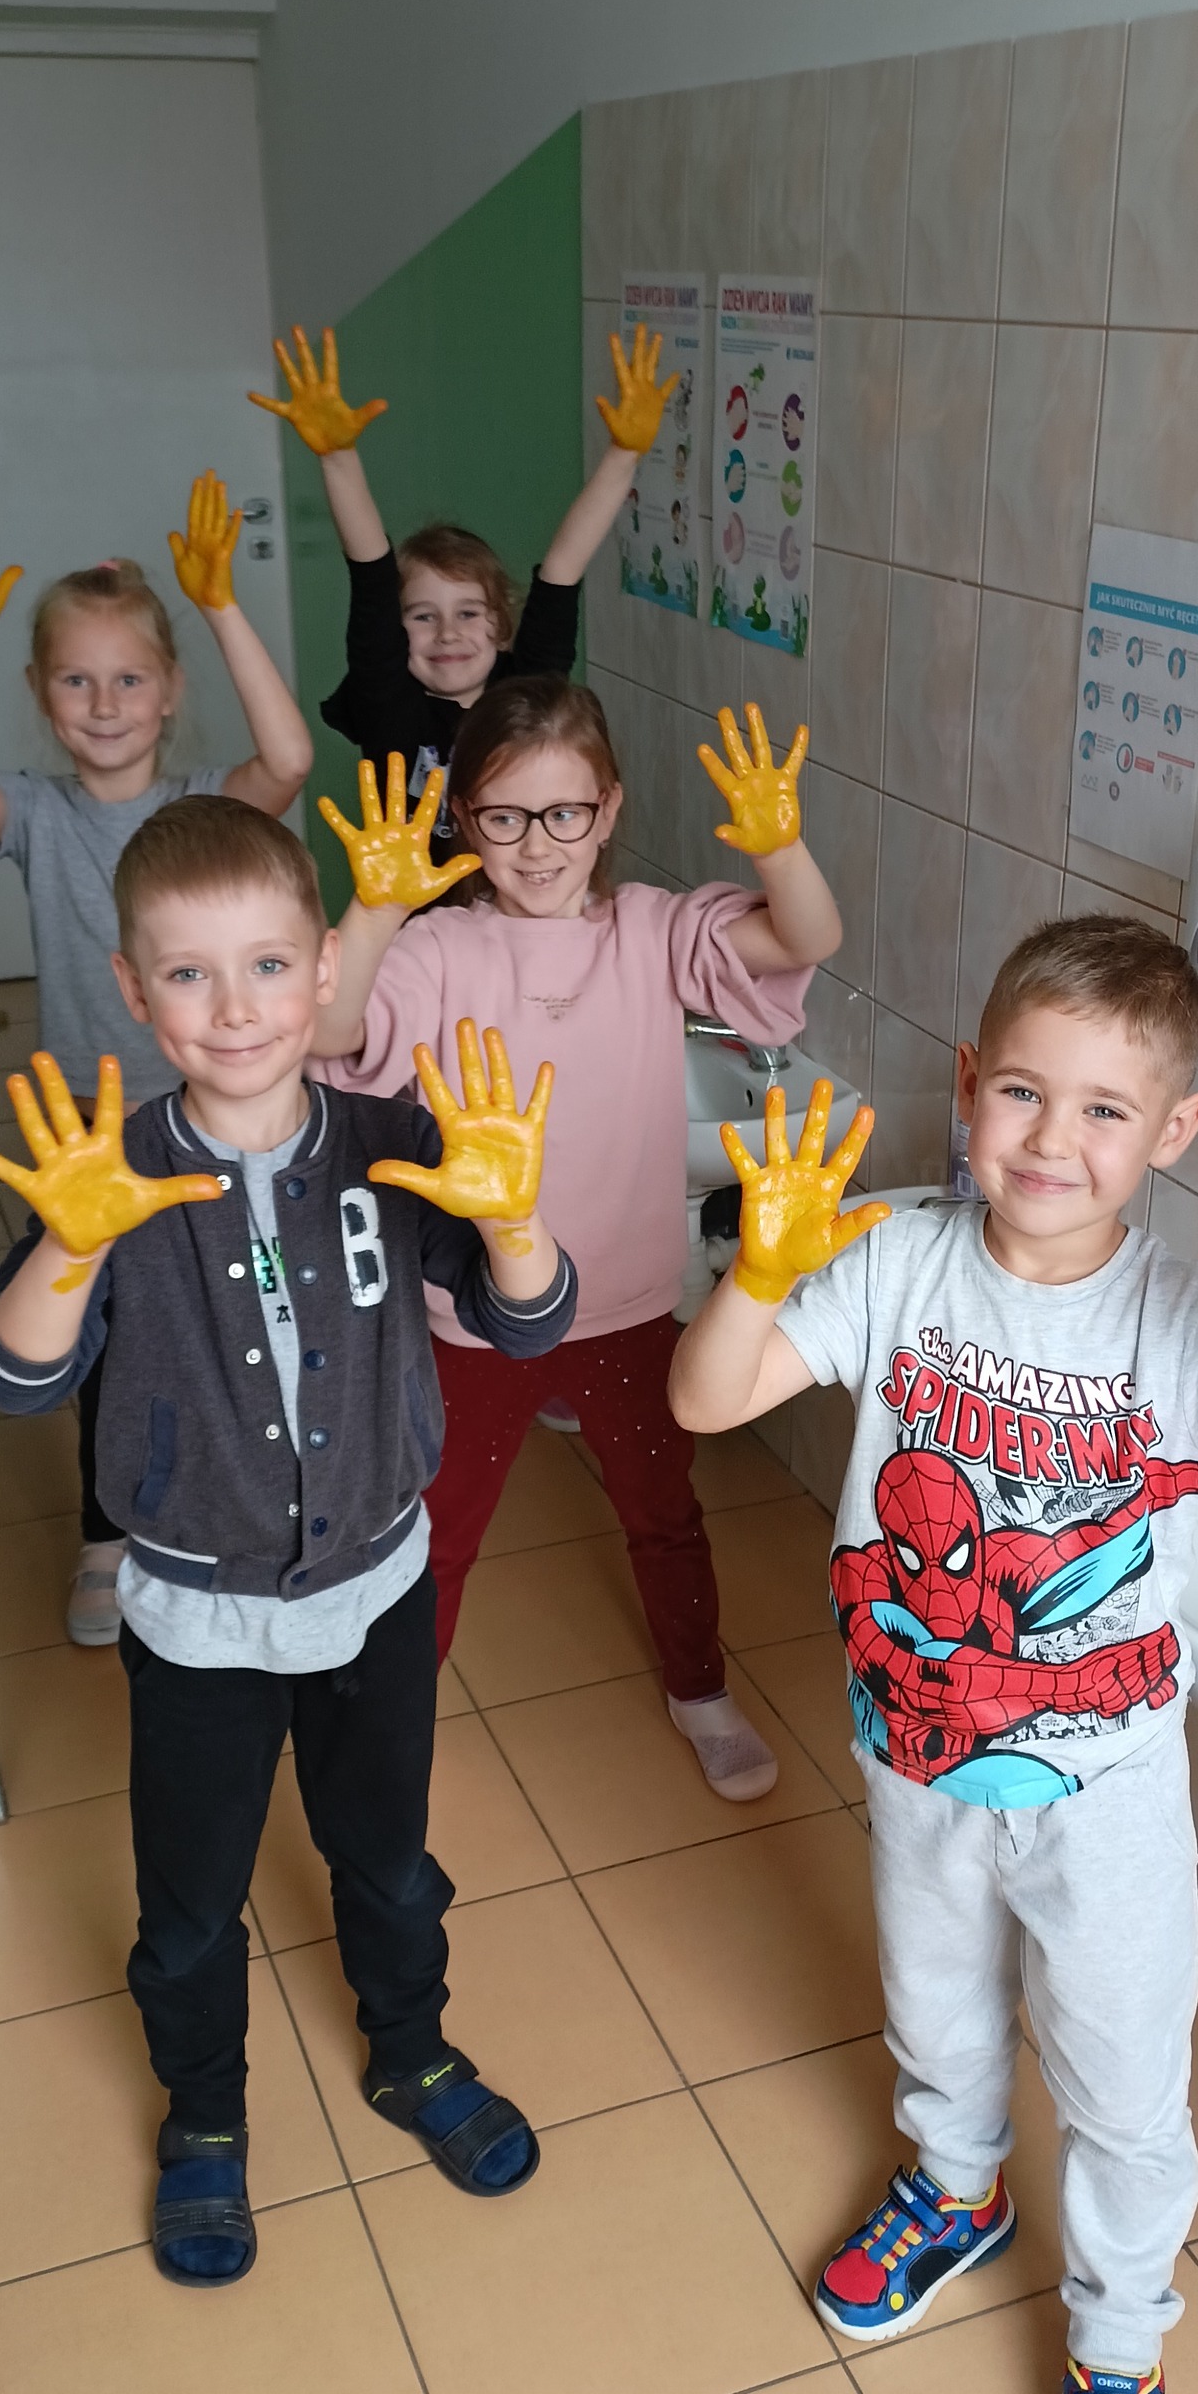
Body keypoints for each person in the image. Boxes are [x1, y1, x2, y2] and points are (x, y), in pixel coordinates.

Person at [669, 912, 1198, 2394]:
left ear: (1174, 1128)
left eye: (1105, 1108)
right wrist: (760, 1272)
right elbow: (705, 1403)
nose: (1050, 1139)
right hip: (913, 1764)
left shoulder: (1184, 1320)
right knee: (937, 2003)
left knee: (1121, 2083)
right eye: (1022, 1091)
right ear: (967, 1086)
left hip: (1101, 1803)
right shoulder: (896, 1259)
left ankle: (1118, 2353)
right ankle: (956, 2186)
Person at [0, 794, 577, 2287]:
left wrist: (514, 1223)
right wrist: (74, 1245)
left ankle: (413, 2050)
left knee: (389, 1862)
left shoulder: (390, 1138)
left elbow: (527, 1321)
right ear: (132, 988)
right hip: (196, 1618)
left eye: (263, 967)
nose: (232, 1007)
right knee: (189, 1907)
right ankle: (205, 2113)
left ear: (321, 972)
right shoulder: (111, 1173)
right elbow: (13, 1379)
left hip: (376, 1586)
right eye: (188, 973)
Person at [311, 682, 841, 1802]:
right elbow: (331, 1030)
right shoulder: (436, 946)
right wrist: (370, 911)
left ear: (607, 811)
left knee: (663, 1513)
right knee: (438, 1532)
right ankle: (395, 1722)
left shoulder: (652, 930)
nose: (536, 844)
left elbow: (806, 937)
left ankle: (699, 1690)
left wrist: (780, 847)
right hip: (476, 1308)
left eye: (563, 813)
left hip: (627, 1301)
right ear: (464, 817)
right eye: (504, 816)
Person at [0, 479, 314, 1645]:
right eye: (75, 680)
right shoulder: (34, 812)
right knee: (106, 1334)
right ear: (39, 693)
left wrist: (220, 607)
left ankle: (254, 1498)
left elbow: (289, 758)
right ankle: (106, 1534)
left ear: (168, 692)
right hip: (92, 1136)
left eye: (128, 678)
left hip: (213, 1122)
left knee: (232, 1316)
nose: (104, 703)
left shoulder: (203, 805)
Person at [248, 319, 677, 811]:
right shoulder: (387, 701)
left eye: (469, 612)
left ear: (501, 627)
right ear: (395, 629)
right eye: (423, 616)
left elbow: (563, 571)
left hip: (523, 865)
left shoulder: (526, 695)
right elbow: (370, 571)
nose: (448, 634)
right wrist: (337, 458)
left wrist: (624, 455)